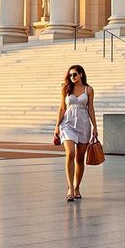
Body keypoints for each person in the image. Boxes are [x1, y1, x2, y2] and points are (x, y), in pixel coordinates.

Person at [53, 64, 98, 202]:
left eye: (74, 74)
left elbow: (90, 109)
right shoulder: (66, 89)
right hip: (67, 124)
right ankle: (69, 188)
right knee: (70, 153)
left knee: (79, 158)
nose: (72, 77)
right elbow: (62, 108)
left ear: (81, 75)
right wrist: (56, 127)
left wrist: (95, 127)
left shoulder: (88, 89)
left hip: (83, 125)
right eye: (70, 75)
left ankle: (77, 187)